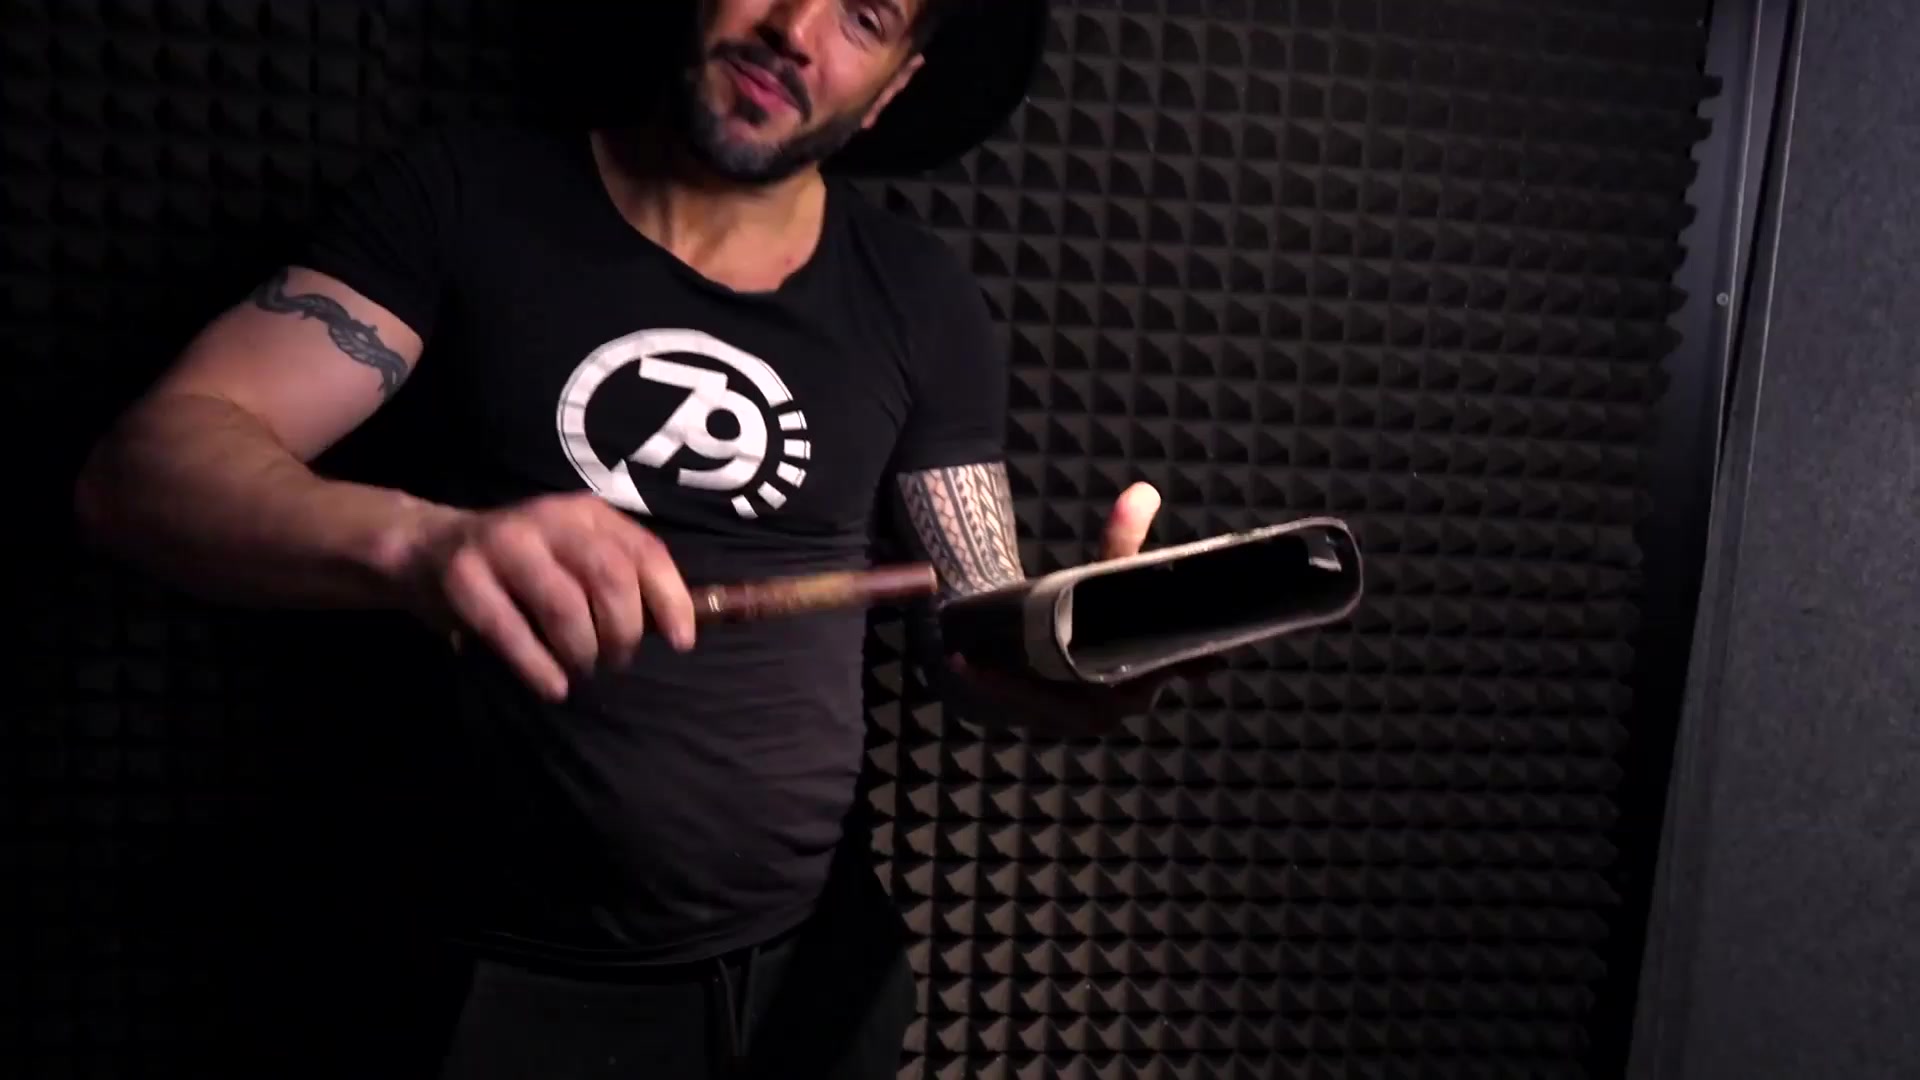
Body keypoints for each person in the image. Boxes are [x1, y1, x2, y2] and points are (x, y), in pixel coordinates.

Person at [74, 1, 1193, 1076]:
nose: (793, 30)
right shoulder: (467, 194)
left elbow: (972, 627)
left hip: (810, 984)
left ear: (895, 84)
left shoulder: (920, 296)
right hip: (493, 987)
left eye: (865, 15)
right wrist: (423, 547)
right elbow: (144, 470)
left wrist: (1068, 663)